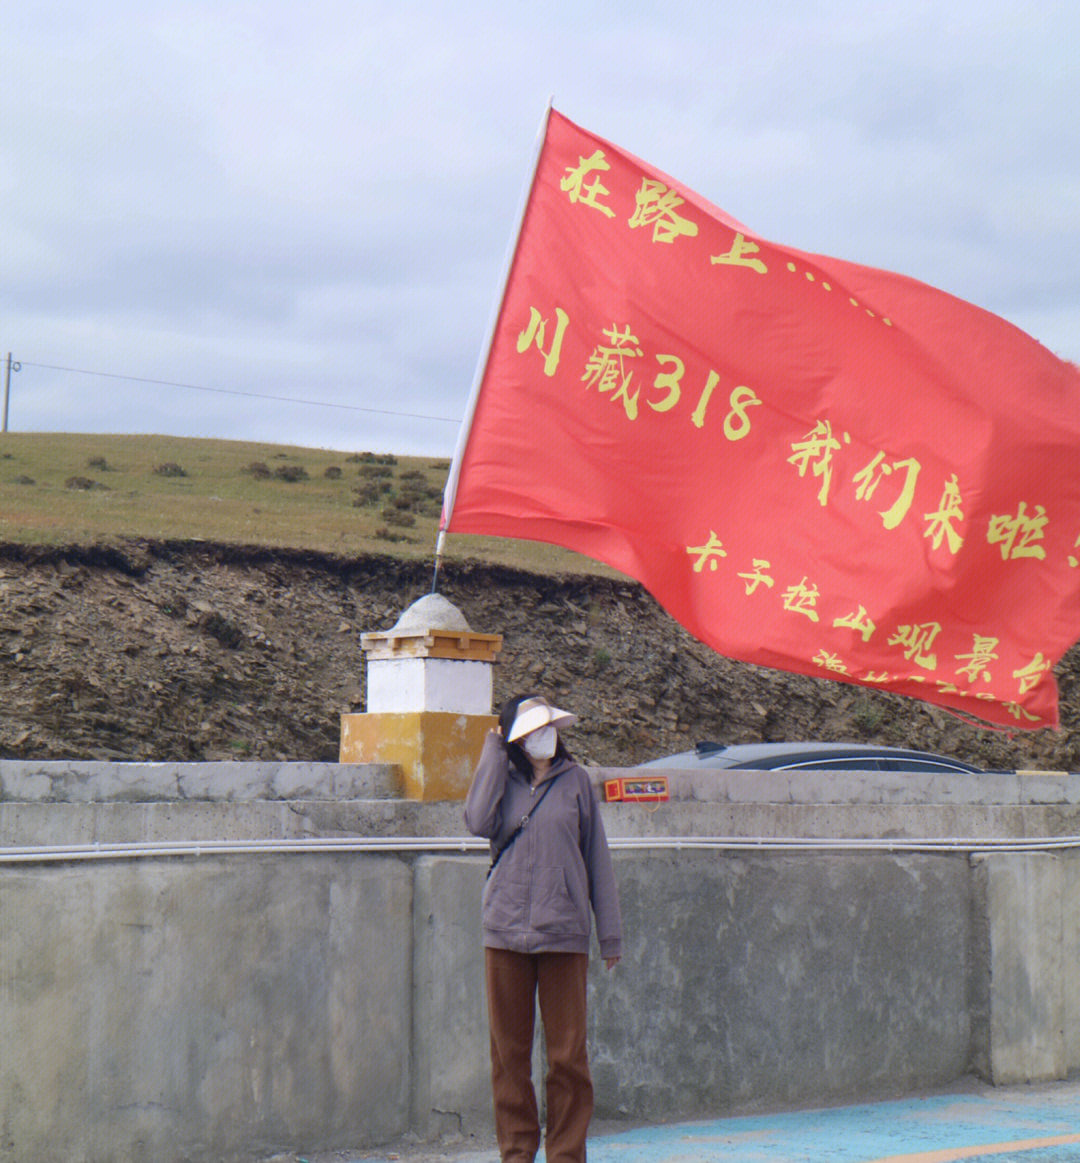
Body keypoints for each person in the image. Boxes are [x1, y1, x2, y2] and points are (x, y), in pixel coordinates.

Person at [464, 694, 622, 1163]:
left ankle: (566, 1155)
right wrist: (493, 751)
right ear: (514, 738)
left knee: (567, 1058)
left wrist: (609, 935)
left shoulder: (575, 783)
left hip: (563, 934)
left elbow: (598, 859)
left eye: (549, 727)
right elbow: (476, 821)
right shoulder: (501, 780)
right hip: (505, 933)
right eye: (533, 730)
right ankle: (516, 1152)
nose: (545, 736)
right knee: (508, 1056)